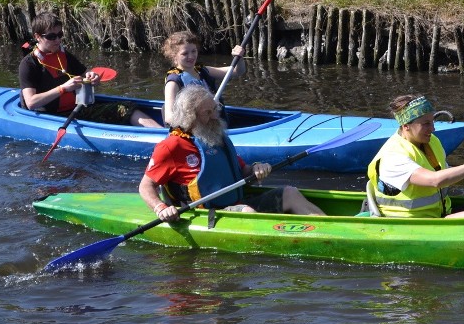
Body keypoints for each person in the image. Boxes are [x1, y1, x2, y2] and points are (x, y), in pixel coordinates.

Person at [139, 85, 326, 222]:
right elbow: (146, 186)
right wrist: (161, 208)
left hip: (238, 201)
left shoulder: (215, 136)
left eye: (214, 109)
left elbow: (242, 171)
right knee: (247, 212)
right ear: (190, 117)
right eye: (207, 113)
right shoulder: (171, 146)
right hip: (207, 213)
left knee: (290, 192)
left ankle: (328, 227)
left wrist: (256, 168)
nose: (214, 116)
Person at [366, 94, 464, 218]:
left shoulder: (431, 141)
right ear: (406, 126)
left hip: (439, 215)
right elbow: (435, 180)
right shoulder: (393, 156)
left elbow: (446, 172)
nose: (433, 128)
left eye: (432, 122)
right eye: (426, 124)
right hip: (412, 224)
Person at [19, 12, 161, 128]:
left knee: (128, 107)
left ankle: (165, 137)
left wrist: (92, 77)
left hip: (78, 110)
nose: (57, 40)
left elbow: (85, 74)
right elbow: (31, 102)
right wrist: (63, 88)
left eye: (60, 35)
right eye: (51, 36)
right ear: (37, 36)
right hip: (51, 118)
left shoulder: (63, 54)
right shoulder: (28, 64)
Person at [161, 30, 246, 124]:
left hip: (217, 124)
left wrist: (239, 58)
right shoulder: (173, 82)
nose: (191, 56)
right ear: (174, 56)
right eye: (185, 53)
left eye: (194, 51)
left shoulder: (203, 70)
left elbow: (237, 71)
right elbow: (169, 117)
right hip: (197, 129)